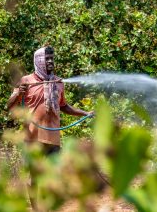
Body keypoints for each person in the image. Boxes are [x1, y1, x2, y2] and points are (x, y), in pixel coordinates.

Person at [7, 45, 93, 211]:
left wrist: (85, 113)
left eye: (52, 58)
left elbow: (64, 106)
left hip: (53, 138)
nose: (51, 62)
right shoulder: (26, 81)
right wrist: (19, 94)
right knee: (35, 176)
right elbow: (9, 106)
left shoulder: (58, 82)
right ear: (39, 60)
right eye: (47, 59)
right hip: (33, 137)